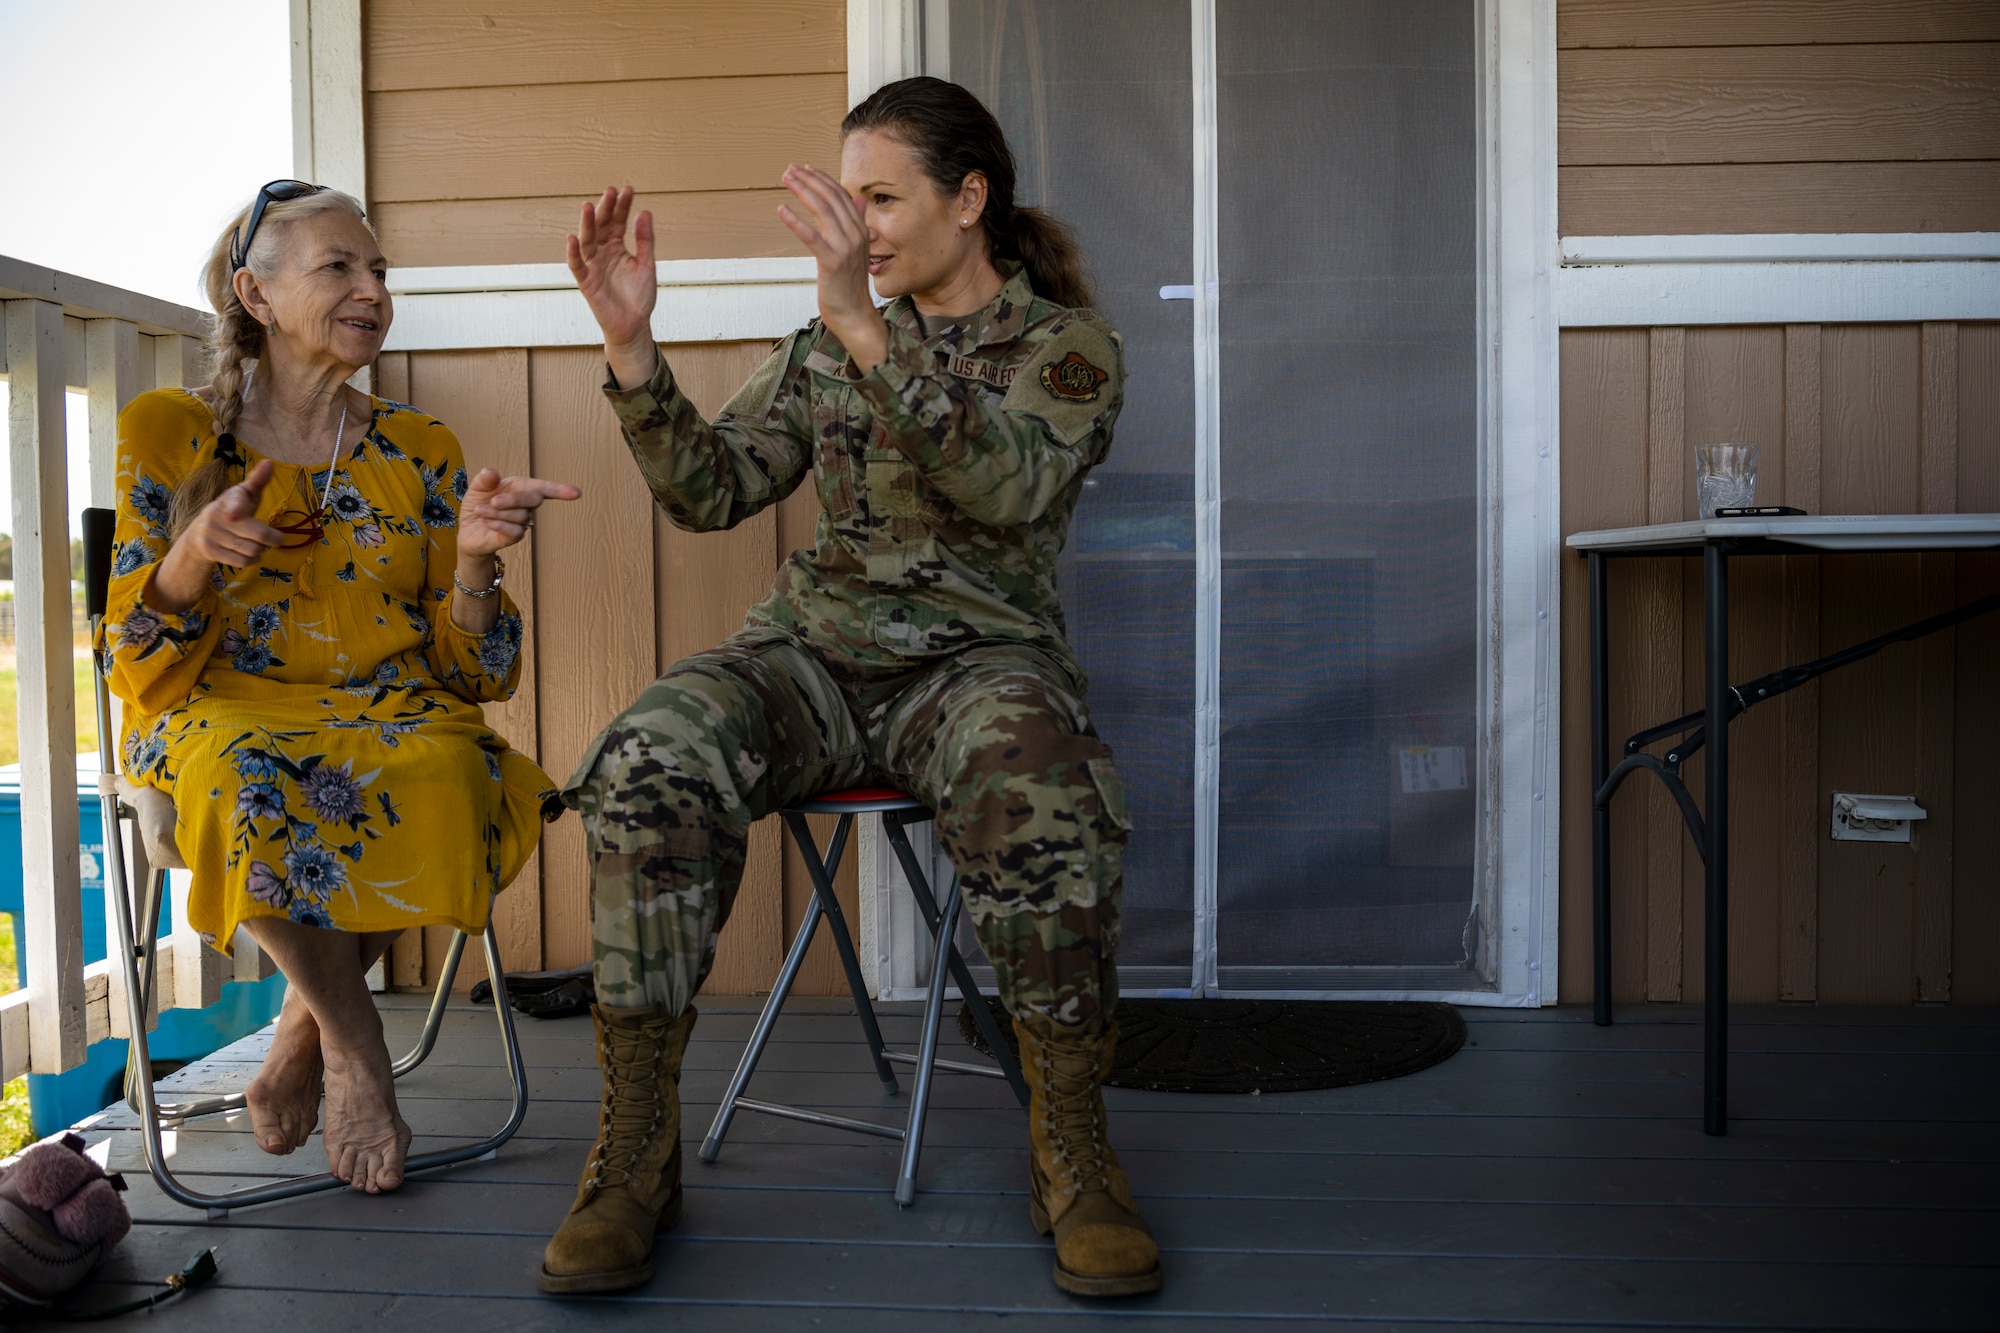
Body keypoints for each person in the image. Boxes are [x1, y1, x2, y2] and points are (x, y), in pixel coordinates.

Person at [541, 76, 1160, 1298]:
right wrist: (630, 347)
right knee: (651, 753)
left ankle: (1073, 1153)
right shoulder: (826, 343)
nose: (857, 227)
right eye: (847, 198)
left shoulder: (1065, 350)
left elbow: (1006, 488)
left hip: (975, 664)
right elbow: (709, 490)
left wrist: (862, 329)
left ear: (968, 198)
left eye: (882, 197)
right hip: (815, 658)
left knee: (1042, 780)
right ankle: (631, 1155)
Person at [99, 182, 578, 1195]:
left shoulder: (421, 449)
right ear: (256, 295)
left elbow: (475, 676)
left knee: (449, 766)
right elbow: (131, 657)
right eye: (338, 268)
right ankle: (357, 1045)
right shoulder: (170, 430)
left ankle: (296, 1047)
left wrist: (476, 570)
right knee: (251, 778)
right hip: (215, 710)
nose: (371, 289)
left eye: (377, 271)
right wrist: (188, 556)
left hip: (389, 708)